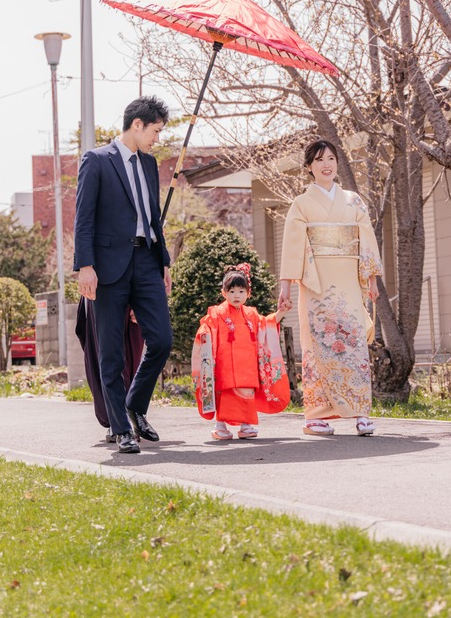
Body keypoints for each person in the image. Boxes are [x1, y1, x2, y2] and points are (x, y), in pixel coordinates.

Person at [74, 96, 173, 454]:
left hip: (146, 262)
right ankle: (121, 428)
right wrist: (85, 266)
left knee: (161, 339)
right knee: (111, 352)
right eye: (155, 131)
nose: (157, 139)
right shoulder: (97, 160)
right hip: (107, 267)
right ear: (137, 125)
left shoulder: (149, 164)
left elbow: (152, 217)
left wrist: (163, 262)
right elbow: (83, 217)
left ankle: (134, 404)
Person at [278, 139, 382, 436]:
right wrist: (285, 287)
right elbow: (293, 248)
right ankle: (316, 415)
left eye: (331, 159)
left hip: (348, 279)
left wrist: (372, 279)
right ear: (309, 167)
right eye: (319, 160)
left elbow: (366, 239)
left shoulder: (354, 200)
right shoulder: (301, 204)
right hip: (316, 283)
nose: (327, 165)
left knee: (354, 343)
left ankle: (360, 411)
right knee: (318, 345)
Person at [191, 264, 290, 440]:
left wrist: (281, 312)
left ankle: (246, 425)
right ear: (223, 293)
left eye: (241, 291)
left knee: (246, 393)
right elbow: (206, 329)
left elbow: (267, 324)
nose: (236, 295)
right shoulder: (216, 313)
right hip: (224, 366)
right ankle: (220, 426)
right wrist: (204, 332)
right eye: (232, 291)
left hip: (247, 366)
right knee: (224, 395)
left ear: (248, 293)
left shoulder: (252, 314)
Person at [74, 299, 143, 442]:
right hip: (99, 295)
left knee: (129, 358)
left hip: (131, 295)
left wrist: (140, 302)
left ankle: (126, 417)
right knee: (104, 357)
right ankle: (117, 420)